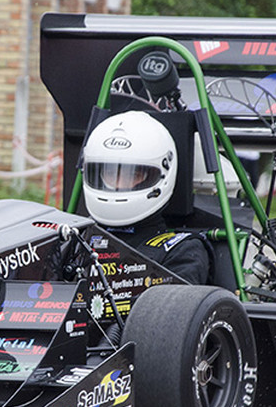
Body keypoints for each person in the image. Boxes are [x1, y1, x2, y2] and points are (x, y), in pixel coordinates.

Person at [81, 110, 211, 284]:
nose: (119, 183)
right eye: (110, 173)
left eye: (133, 174)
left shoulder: (180, 251)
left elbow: (173, 310)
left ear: (161, 174)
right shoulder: (75, 240)